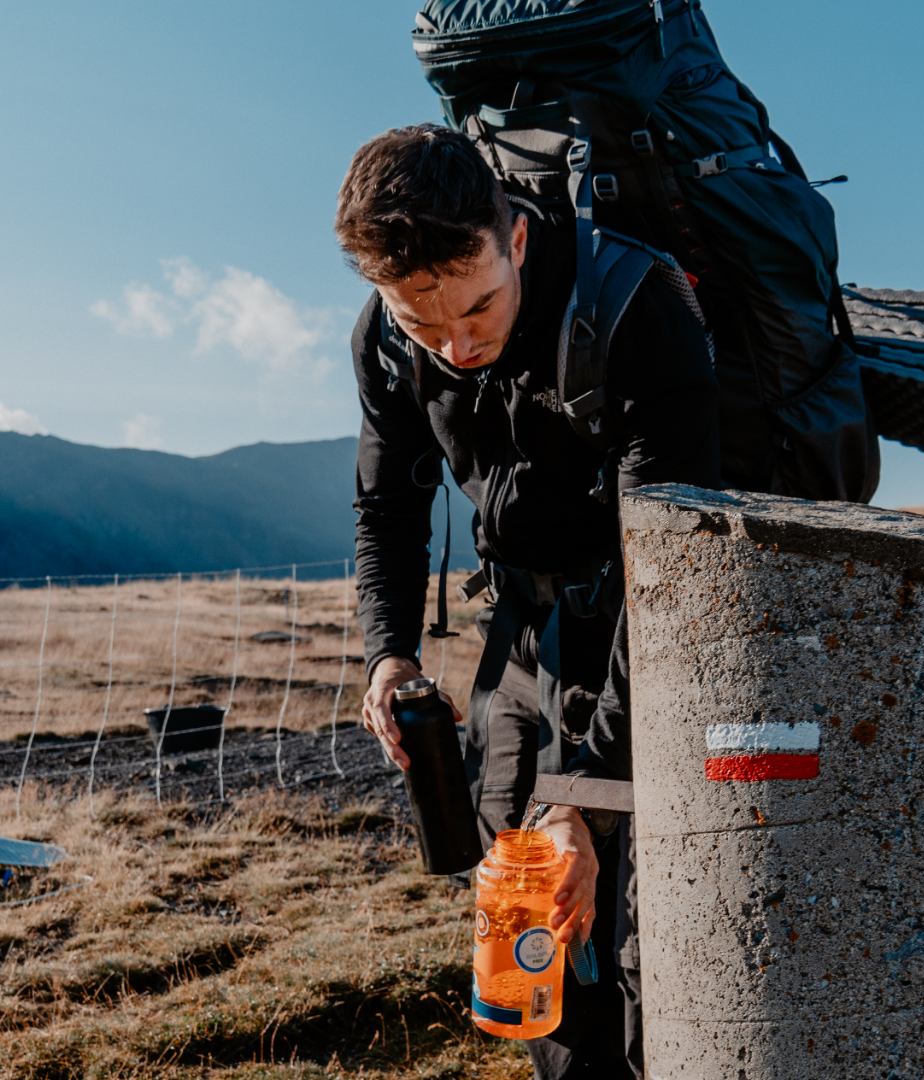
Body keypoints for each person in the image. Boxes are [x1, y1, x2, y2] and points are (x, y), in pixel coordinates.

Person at [335, 123, 722, 1079]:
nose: (459, 347)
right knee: (523, 921)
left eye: (480, 308)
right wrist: (388, 652)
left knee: (644, 943)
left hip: (648, 636)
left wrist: (586, 795)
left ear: (513, 236)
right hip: (519, 641)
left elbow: (666, 580)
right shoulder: (386, 341)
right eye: (426, 325)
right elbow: (388, 507)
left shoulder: (635, 308)